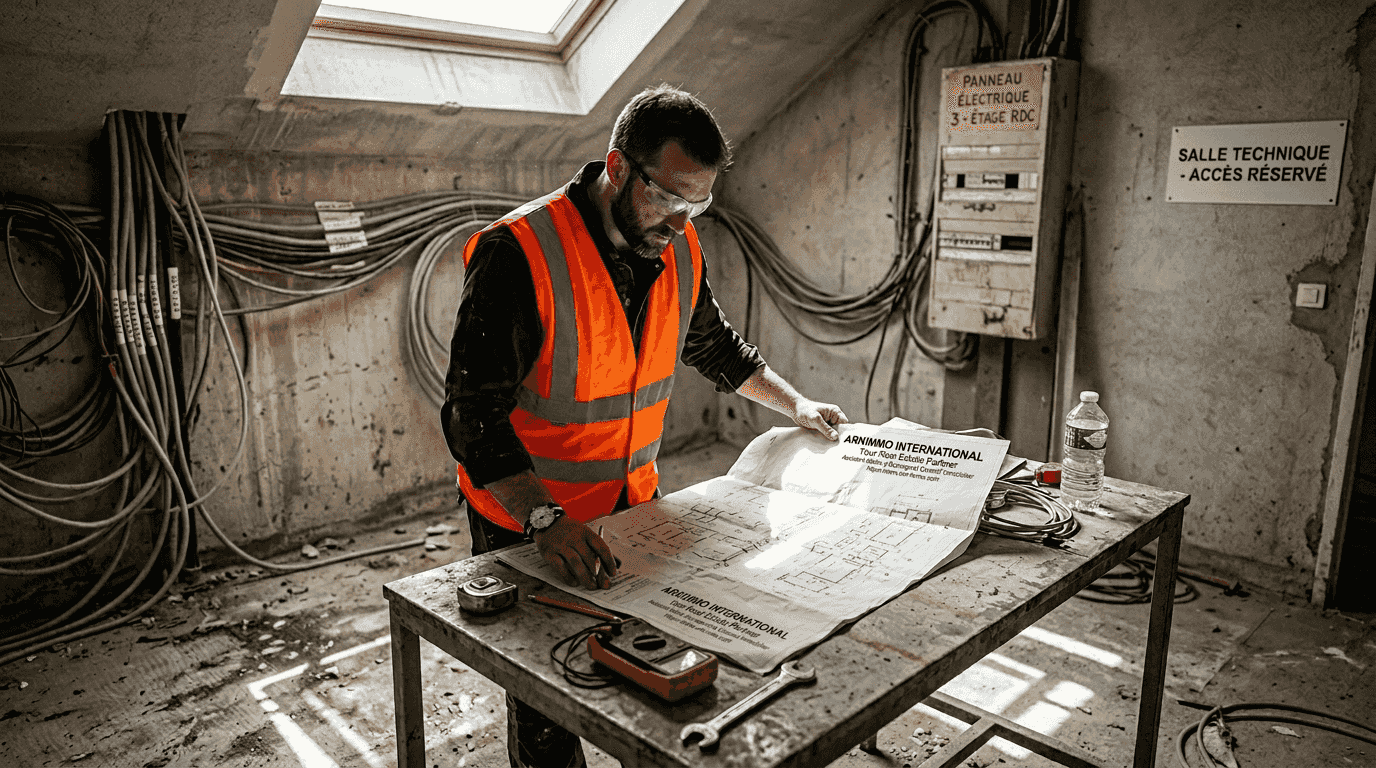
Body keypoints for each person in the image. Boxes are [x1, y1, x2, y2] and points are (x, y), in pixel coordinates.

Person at [441, 84, 847, 768]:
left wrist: (797, 406)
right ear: (619, 167)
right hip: (528, 519)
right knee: (546, 697)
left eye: (700, 204)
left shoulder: (678, 250)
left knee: (644, 671)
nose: (682, 221)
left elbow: (717, 349)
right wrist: (544, 521)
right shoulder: (520, 252)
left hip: (634, 507)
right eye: (669, 198)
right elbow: (470, 415)